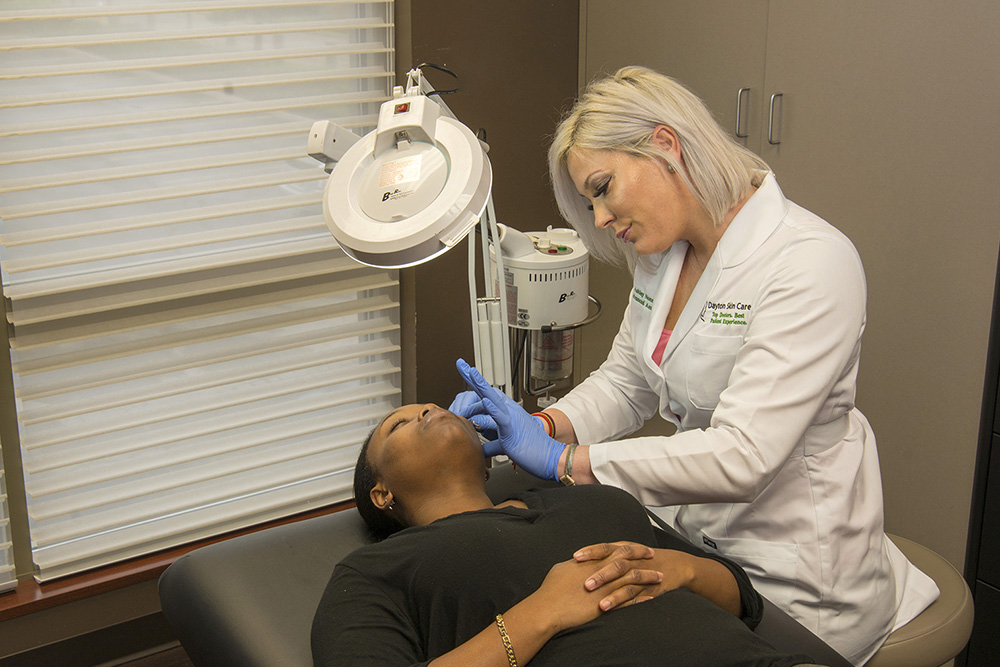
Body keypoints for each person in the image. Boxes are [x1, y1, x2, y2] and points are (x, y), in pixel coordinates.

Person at [449, 66, 939, 665]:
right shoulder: (663, 255)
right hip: (692, 537)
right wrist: (542, 426)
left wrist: (566, 462)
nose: (599, 218)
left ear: (664, 145)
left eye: (603, 187)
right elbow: (627, 383)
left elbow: (744, 456)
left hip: (797, 573)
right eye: (589, 200)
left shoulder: (811, 262)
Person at [311, 403, 821, 667]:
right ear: (381, 494)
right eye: (400, 424)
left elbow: (743, 601)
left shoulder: (592, 497)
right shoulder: (375, 572)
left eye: (431, 408)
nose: (427, 411)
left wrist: (680, 569)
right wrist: (543, 612)